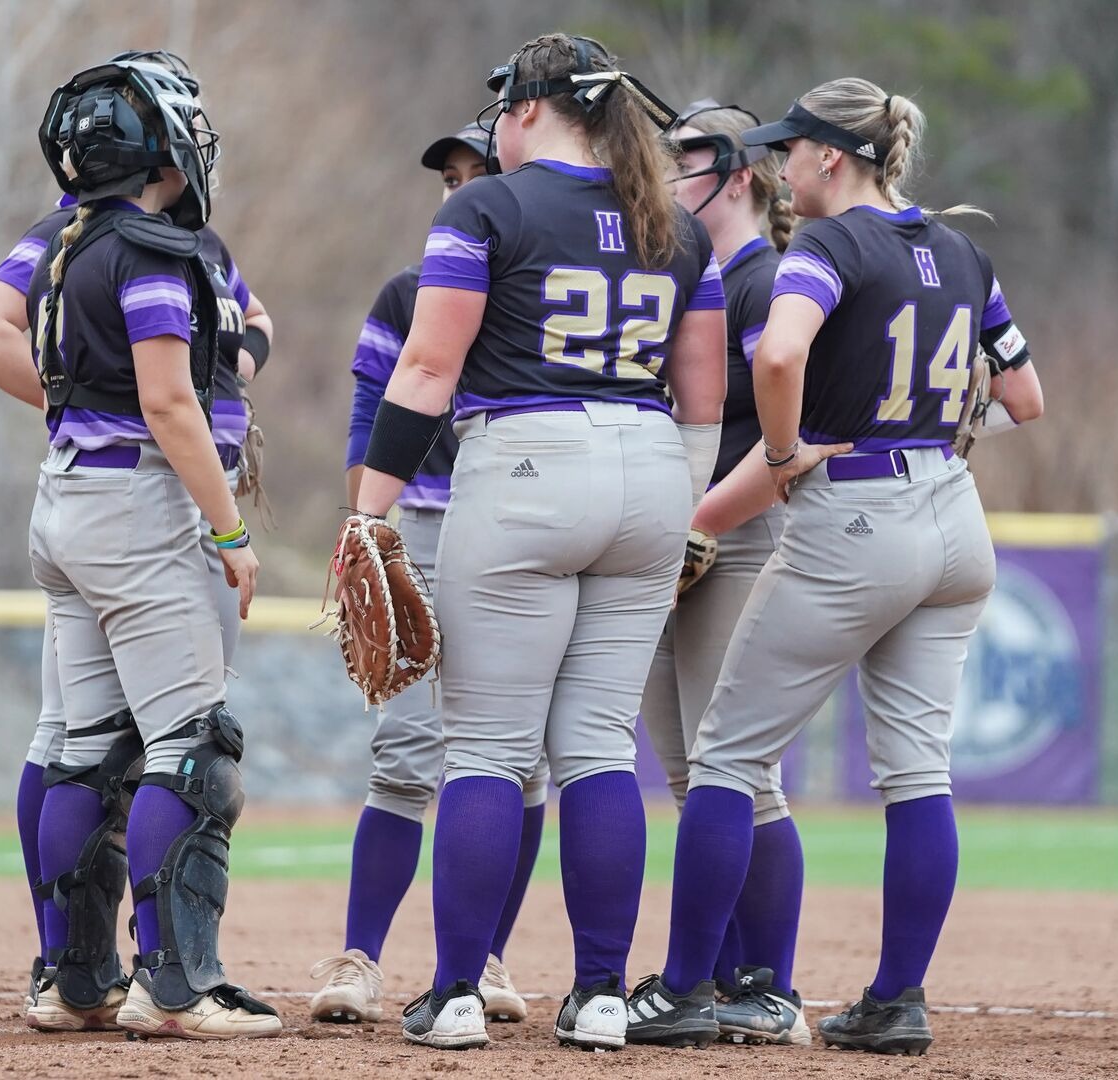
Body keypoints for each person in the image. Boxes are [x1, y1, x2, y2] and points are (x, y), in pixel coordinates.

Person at [625, 77, 1044, 1054]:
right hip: (951, 510)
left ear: (831, 159)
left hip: (856, 513)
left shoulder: (829, 243)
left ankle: (686, 988)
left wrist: (779, 454)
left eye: (792, 150)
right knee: (917, 775)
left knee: (725, 756)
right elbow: (1025, 396)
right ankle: (896, 1000)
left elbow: (778, 359)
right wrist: (938, 425)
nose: (781, 166)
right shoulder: (961, 251)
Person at [347, 33, 725, 1051]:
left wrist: (369, 510)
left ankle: (457, 994)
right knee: (601, 748)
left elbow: (427, 370)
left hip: (524, 462)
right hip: (650, 467)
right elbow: (704, 396)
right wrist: (682, 511)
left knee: (486, 747)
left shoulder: (485, 208)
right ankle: (602, 995)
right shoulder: (676, 227)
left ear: (525, 110)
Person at [0, 51, 273, 1034]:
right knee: (191, 748)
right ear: (159, 148)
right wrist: (231, 529)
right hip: (139, 506)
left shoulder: (66, 242)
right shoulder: (159, 248)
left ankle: (73, 977)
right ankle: (177, 987)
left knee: (78, 745)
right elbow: (171, 402)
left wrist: (80, 400)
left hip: (69, 497)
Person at [308, 122, 547, 1027]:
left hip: (516, 522)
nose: (456, 189)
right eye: (450, 176)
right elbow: (371, 411)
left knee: (517, 763)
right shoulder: (408, 293)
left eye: (475, 173)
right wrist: (368, 531)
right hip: (425, 521)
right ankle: (359, 958)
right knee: (404, 753)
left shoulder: (542, 292)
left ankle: (484, 958)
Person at [639, 99, 811, 1047]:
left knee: (739, 773)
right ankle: (723, 977)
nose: (667, 176)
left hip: (736, 539)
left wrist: (708, 520)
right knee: (687, 771)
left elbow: (792, 439)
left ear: (738, 174)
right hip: (679, 542)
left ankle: (769, 986)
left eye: (688, 159)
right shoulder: (688, 276)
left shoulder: (760, 279)